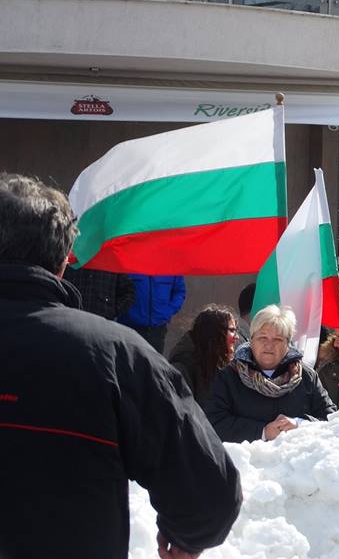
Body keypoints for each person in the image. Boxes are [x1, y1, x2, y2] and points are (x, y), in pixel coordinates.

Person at [0, 173, 241, 559]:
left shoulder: (122, 355)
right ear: (63, 263)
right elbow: (209, 496)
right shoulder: (119, 358)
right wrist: (186, 539)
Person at [205, 304, 337, 442]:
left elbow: (332, 418)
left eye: (277, 339)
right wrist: (262, 432)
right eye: (262, 338)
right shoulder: (228, 376)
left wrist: (299, 425)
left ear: (288, 344)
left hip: (296, 454)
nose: (269, 345)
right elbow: (212, 422)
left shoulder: (307, 377)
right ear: (251, 340)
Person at [168, 304, 240, 405]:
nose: (237, 337)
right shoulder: (183, 370)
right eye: (232, 330)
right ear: (214, 334)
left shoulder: (223, 367)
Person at [118, 272, 187, 353]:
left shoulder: (171, 268)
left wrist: (168, 311)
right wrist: (123, 311)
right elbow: (115, 288)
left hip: (156, 329)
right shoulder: (127, 266)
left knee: (154, 360)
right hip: (128, 328)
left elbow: (179, 292)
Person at [62, 266, 136, 321]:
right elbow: (60, 286)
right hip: (73, 320)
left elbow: (128, 293)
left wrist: (112, 311)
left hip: (102, 323)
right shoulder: (71, 261)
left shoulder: (113, 264)